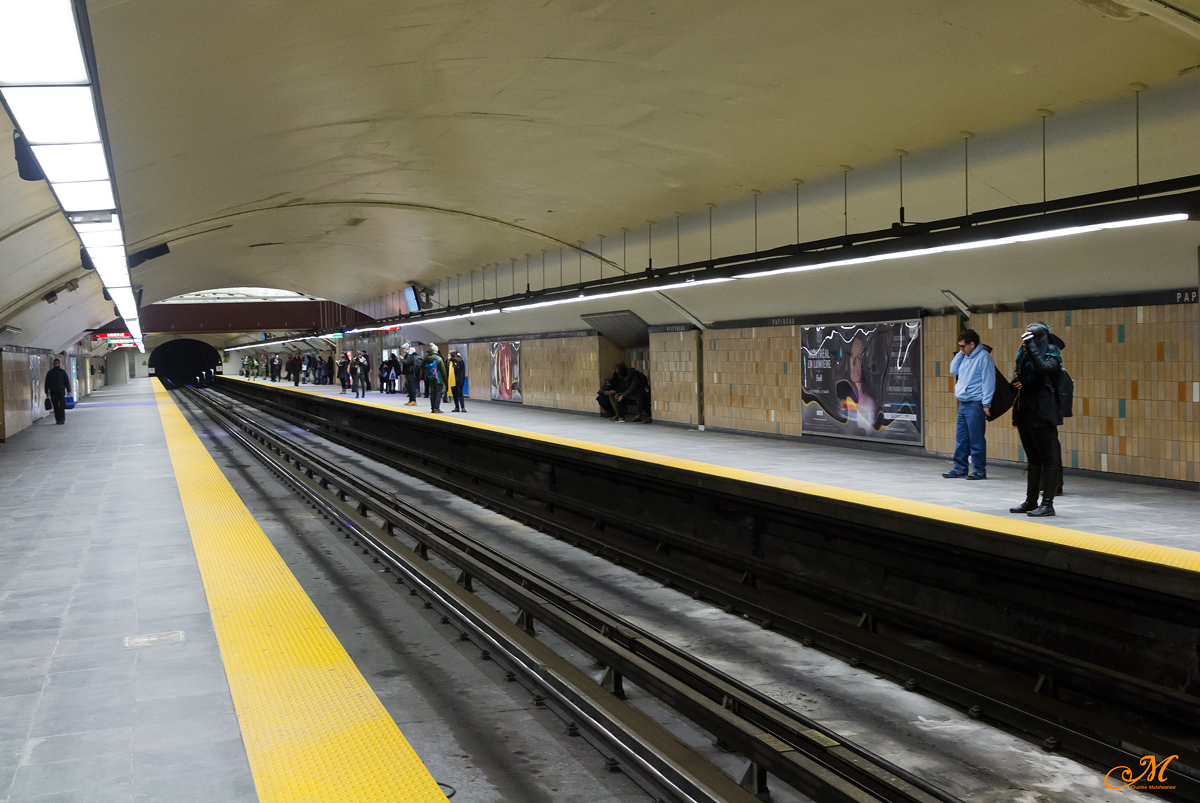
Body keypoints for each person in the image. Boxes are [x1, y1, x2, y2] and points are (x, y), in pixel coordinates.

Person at [1009, 322, 1064, 517]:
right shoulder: (1024, 353)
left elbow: (1044, 369)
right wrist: (1015, 381)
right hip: (1026, 410)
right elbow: (1021, 375)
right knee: (1033, 458)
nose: (1027, 341)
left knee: (1048, 459)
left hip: (1043, 410)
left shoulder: (1051, 352)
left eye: (1031, 337)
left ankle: (1047, 503)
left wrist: (1032, 349)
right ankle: (1031, 501)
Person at [943, 329, 995, 480]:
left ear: (972, 344)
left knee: (976, 438)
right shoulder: (965, 356)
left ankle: (979, 470)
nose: (961, 349)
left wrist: (986, 404)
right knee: (962, 438)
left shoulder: (984, 358)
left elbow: (989, 382)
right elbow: (953, 369)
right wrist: (961, 353)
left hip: (975, 403)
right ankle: (960, 468)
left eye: (962, 346)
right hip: (963, 403)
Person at [44, 358, 71, 425]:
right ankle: (58, 419)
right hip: (53, 392)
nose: (56, 364)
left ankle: (62, 419)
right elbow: (47, 382)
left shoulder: (62, 372)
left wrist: (68, 390)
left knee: (61, 405)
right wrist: (46, 391)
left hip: (61, 391)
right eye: (55, 363)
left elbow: (66, 381)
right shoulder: (50, 373)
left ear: (59, 364)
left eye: (57, 363)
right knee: (55, 406)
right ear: (53, 364)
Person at [424, 344, 447, 413]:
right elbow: (443, 371)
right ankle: (436, 408)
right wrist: (446, 381)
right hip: (438, 378)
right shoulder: (439, 359)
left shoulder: (427, 358)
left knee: (432, 392)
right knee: (438, 393)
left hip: (431, 378)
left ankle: (432, 407)